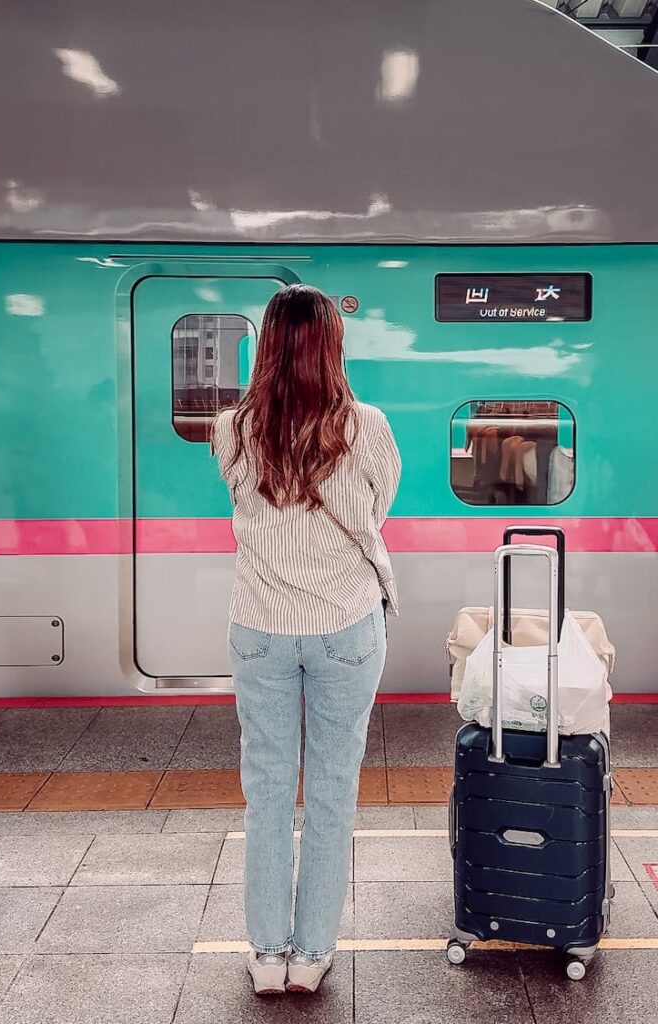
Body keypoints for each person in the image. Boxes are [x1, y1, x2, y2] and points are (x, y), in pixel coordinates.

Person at [212, 284, 400, 997]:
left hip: (259, 627)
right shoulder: (367, 427)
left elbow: (244, 500)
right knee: (330, 791)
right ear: (331, 345)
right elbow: (378, 506)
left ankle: (266, 955)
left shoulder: (232, 428)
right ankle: (312, 952)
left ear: (264, 343)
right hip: (346, 628)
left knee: (264, 794)